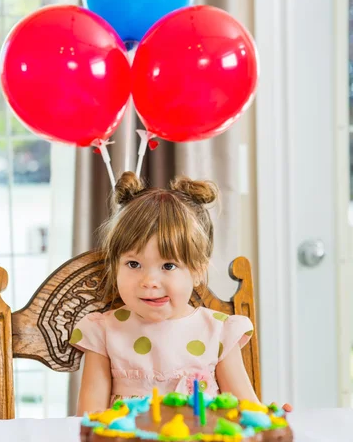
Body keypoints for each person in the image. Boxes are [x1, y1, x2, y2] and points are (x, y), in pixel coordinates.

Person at [72, 171, 260, 415]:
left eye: (168, 266)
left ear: (197, 270)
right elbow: (89, 418)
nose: (149, 281)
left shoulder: (218, 332)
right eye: (133, 264)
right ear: (114, 264)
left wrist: (278, 418)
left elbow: (249, 411)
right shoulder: (103, 332)